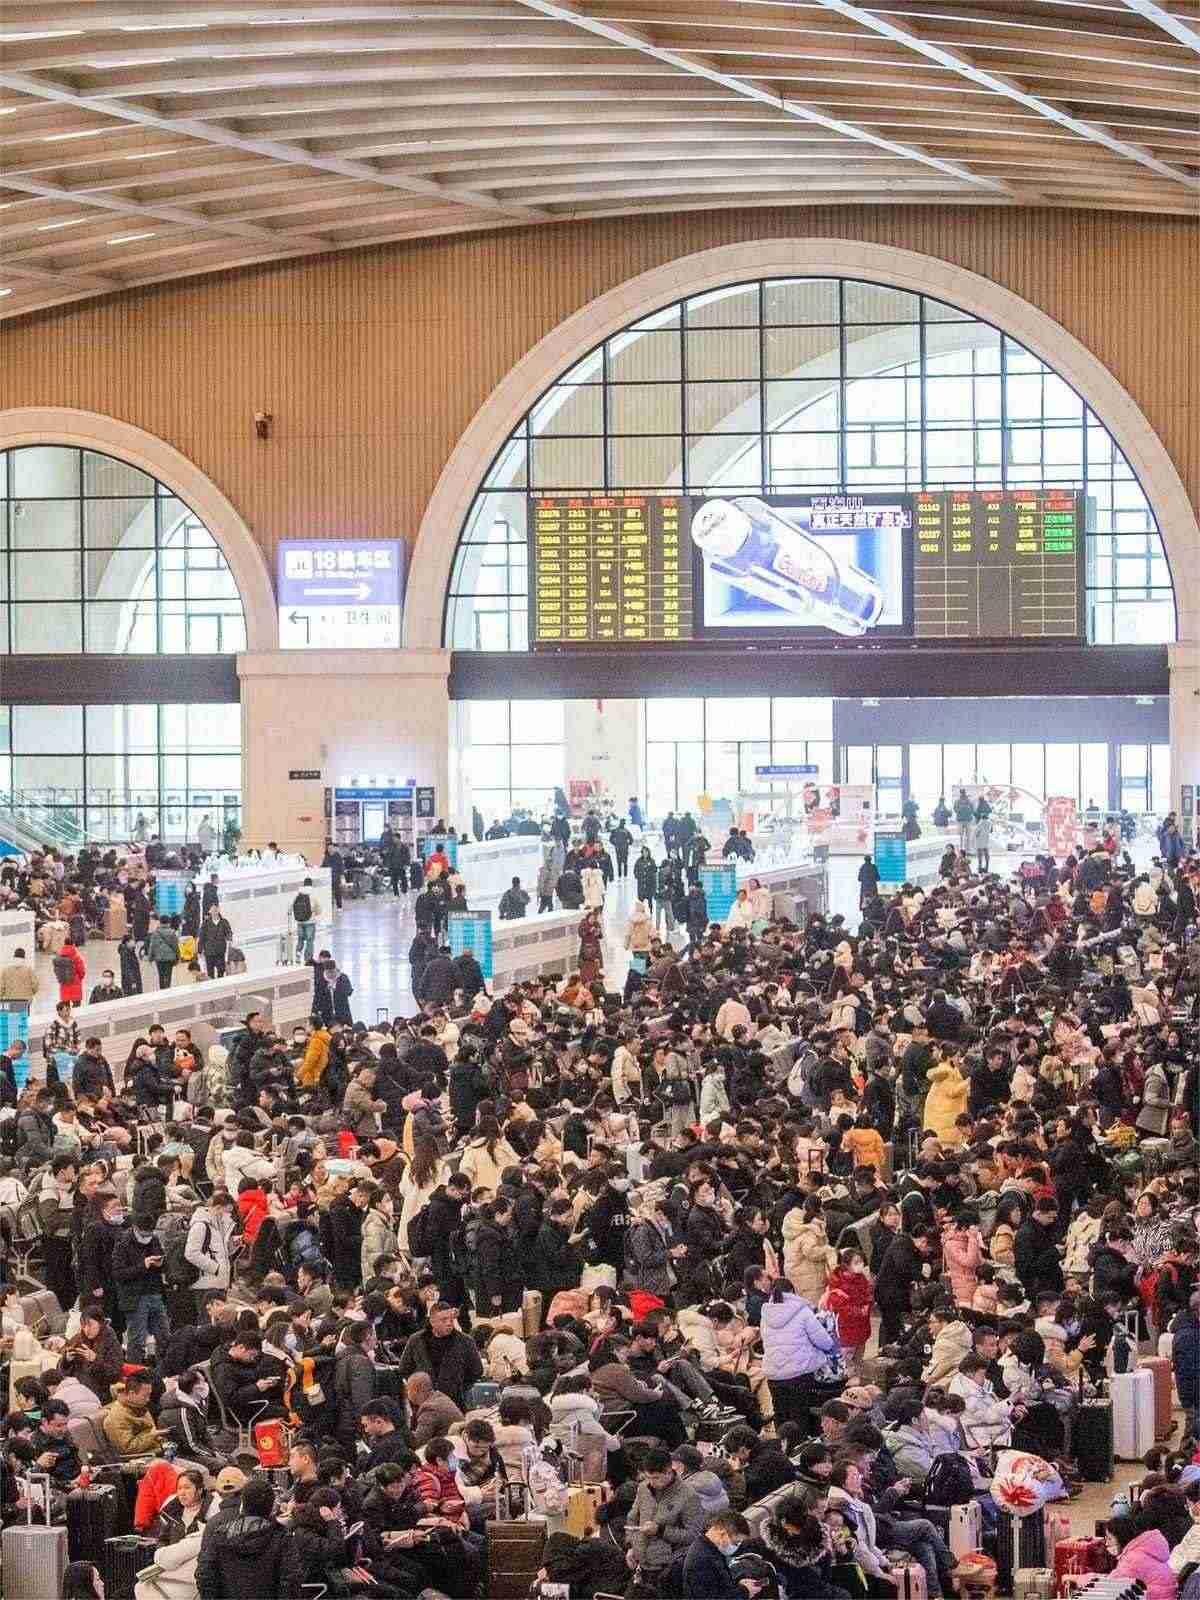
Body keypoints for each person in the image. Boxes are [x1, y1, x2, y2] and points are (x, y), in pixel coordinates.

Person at [197, 903, 233, 979]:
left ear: (219, 910)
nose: (214, 911)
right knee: (210, 974)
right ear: (210, 911)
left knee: (221, 972)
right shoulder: (205, 923)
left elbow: (229, 932)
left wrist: (229, 939)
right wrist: (199, 950)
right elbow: (202, 937)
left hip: (220, 951)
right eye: (212, 909)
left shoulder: (224, 922)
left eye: (216, 909)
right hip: (209, 952)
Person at [146, 917, 180, 989]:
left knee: (161, 976)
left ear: (160, 922)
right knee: (168, 976)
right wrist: (178, 957)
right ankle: (167, 990)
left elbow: (152, 946)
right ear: (168, 923)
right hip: (169, 959)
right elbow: (176, 947)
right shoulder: (172, 932)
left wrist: (150, 958)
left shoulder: (155, 933)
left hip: (159, 958)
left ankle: (162, 991)